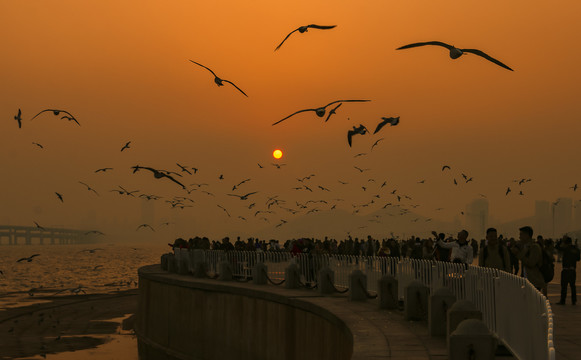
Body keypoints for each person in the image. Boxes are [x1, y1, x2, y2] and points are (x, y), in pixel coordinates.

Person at [511, 226, 546, 295]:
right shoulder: (526, 246)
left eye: (521, 234)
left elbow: (531, 263)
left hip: (535, 281)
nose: (519, 237)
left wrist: (518, 254)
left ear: (527, 235)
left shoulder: (535, 247)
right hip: (528, 281)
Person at [556, 236, 580, 305]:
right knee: (573, 286)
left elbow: (557, 247)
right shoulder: (576, 249)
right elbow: (578, 259)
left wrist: (561, 240)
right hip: (573, 270)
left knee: (564, 286)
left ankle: (563, 300)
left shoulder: (565, 248)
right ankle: (574, 300)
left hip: (565, 270)